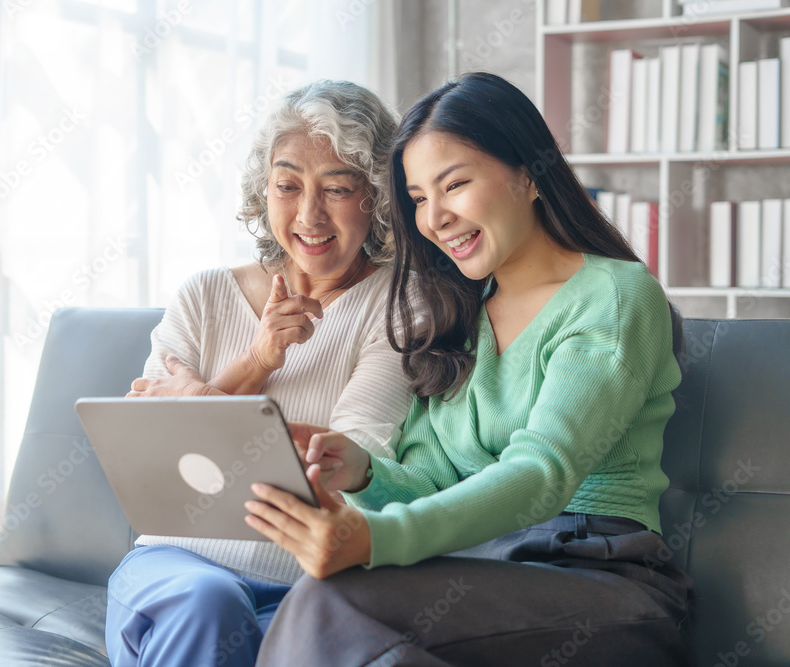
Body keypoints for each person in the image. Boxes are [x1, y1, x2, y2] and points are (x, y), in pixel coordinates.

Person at [245, 72, 693, 666]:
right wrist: (361, 473)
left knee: (325, 604)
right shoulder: (463, 314)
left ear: (528, 175)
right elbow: (432, 473)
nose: (435, 219)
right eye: (420, 199)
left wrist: (377, 538)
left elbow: (541, 472)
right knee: (344, 619)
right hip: (482, 569)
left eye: (454, 184)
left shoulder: (613, 296)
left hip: (600, 576)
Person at [104, 80, 412, 667]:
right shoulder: (202, 294)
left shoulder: (396, 307)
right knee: (208, 600)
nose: (308, 215)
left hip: (306, 578)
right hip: (174, 568)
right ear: (263, 190)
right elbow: (146, 452)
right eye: (287, 185)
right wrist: (259, 359)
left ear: (375, 195)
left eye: (338, 189)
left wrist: (195, 395)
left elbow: (342, 460)